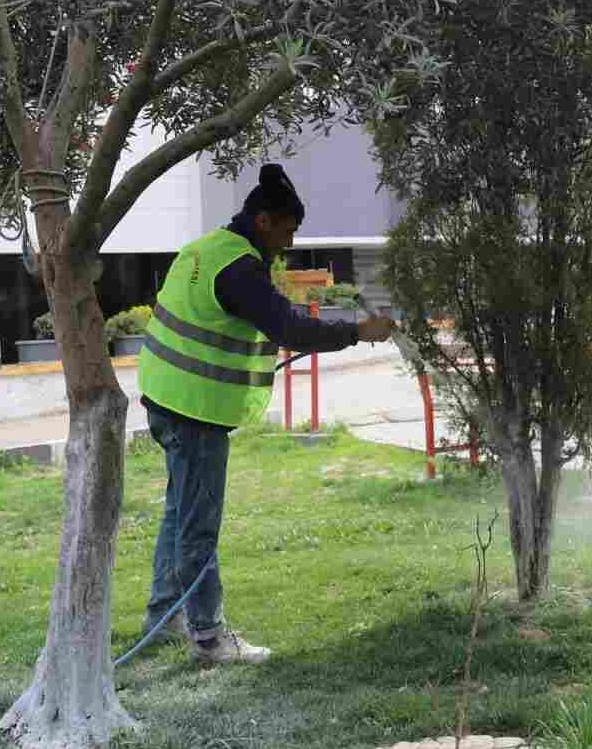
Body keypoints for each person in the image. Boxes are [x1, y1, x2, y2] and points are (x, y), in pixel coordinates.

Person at [135, 163, 396, 664]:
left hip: (167, 399)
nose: (291, 240)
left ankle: (163, 618)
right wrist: (360, 331)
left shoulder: (207, 249)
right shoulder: (239, 269)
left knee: (178, 514)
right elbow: (290, 327)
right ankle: (209, 638)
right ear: (263, 221)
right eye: (289, 229)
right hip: (195, 411)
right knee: (197, 525)